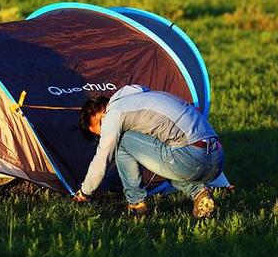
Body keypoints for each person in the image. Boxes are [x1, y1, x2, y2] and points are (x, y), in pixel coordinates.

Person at [73, 84, 224, 218]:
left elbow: (101, 160)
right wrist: (223, 181)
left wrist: (84, 193)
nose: (104, 133)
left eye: (101, 130)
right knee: (164, 156)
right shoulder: (142, 99)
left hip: (189, 158)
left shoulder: (114, 114)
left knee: (123, 141)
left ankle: (136, 205)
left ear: (103, 114)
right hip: (216, 159)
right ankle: (199, 193)